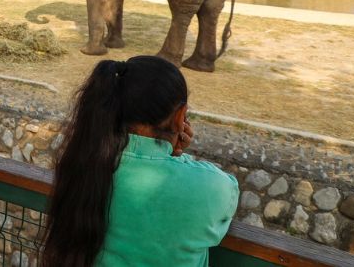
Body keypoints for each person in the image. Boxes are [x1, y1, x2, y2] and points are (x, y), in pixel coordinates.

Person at [40, 56, 238, 267]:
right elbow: (230, 193)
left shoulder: (83, 164)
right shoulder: (212, 187)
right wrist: (178, 155)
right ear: (181, 117)